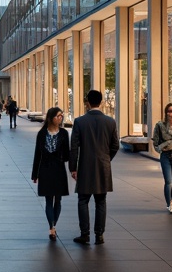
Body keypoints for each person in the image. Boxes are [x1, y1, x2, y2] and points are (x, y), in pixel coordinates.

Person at [69, 89, 120, 244]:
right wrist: (106, 159)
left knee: (83, 200)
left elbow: (74, 147)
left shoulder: (79, 121)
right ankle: (99, 235)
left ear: (87, 102)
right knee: (101, 201)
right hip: (103, 166)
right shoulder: (110, 122)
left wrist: (73, 167)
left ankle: (85, 234)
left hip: (85, 165)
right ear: (101, 102)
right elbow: (115, 145)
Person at [31, 106, 70, 240]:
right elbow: (37, 154)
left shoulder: (64, 133)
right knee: (48, 199)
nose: (60, 118)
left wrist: (72, 166)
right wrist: (34, 174)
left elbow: (67, 155)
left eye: (61, 116)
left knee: (58, 199)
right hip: (45, 169)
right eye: (58, 116)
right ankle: (51, 227)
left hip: (59, 169)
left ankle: (53, 225)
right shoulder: (42, 134)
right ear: (50, 118)